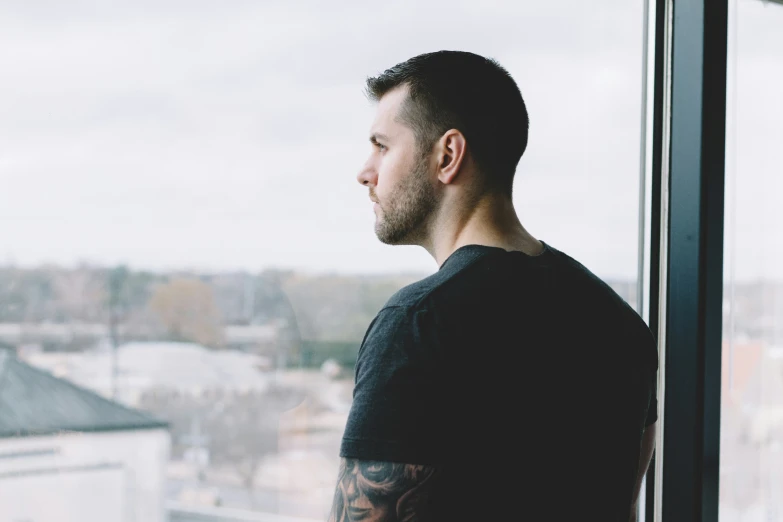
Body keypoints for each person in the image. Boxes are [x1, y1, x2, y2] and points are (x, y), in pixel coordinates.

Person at [328, 50, 658, 522]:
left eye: (382, 145)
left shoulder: (419, 325)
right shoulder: (622, 325)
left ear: (448, 155)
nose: (365, 170)